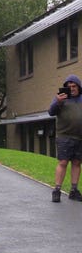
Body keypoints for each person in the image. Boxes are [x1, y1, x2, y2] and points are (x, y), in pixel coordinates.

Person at [48, 74, 82, 203]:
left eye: (74, 86)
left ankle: (74, 190)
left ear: (79, 87)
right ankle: (57, 190)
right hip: (64, 136)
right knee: (63, 162)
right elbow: (51, 112)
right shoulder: (60, 98)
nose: (72, 88)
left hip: (80, 137)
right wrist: (58, 102)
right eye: (69, 86)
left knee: (77, 163)